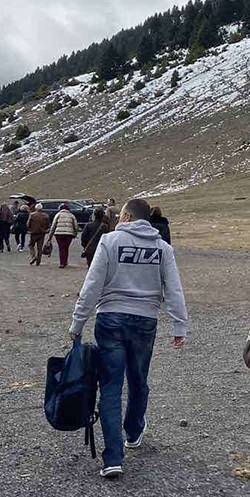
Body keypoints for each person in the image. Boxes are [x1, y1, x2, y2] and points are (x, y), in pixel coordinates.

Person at [69, 198, 189, 479]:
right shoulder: (162, 248)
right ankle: (133, 431)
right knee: (138, 379)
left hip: (110, 318)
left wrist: (78, 322)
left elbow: (92, 284)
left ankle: (113, 458)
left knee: (110, 387)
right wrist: (178, 325)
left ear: (126, 216)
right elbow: (174, 288)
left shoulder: (110, 242)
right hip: (145, 320)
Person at [46, 202, 79, 268]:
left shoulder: (58, 215)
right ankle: (65, 261)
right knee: (66, 248)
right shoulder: (71, 215)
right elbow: (76, 226)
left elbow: (53, 226)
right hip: (69, 234)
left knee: (61, 248)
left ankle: (62, 263)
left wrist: (50, 236)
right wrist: (75, 234)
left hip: (59, 234)